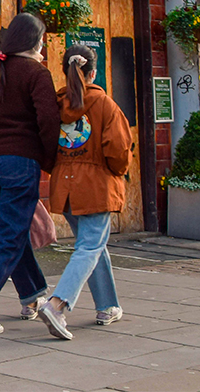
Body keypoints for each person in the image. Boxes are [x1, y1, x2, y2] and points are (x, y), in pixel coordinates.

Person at [0, 13, 61, 334]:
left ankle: (32, 295)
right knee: (10, 232)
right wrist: (48, 160)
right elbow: (49, 122)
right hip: (20, 160)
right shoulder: (36, 73)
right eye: (42, 39)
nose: (44, 45)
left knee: (12, 228)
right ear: (34, 42)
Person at [37, 45, 131, 340]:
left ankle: (107, 305)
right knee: (90, 247)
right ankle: (57, 304)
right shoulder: (104, 105)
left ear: (65, 71)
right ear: (93, 72)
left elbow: (45, 145)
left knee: (92, 245)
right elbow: (118, 152)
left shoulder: (55, 105)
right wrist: (117, 172)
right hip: (96, 187)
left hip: (65, 186)